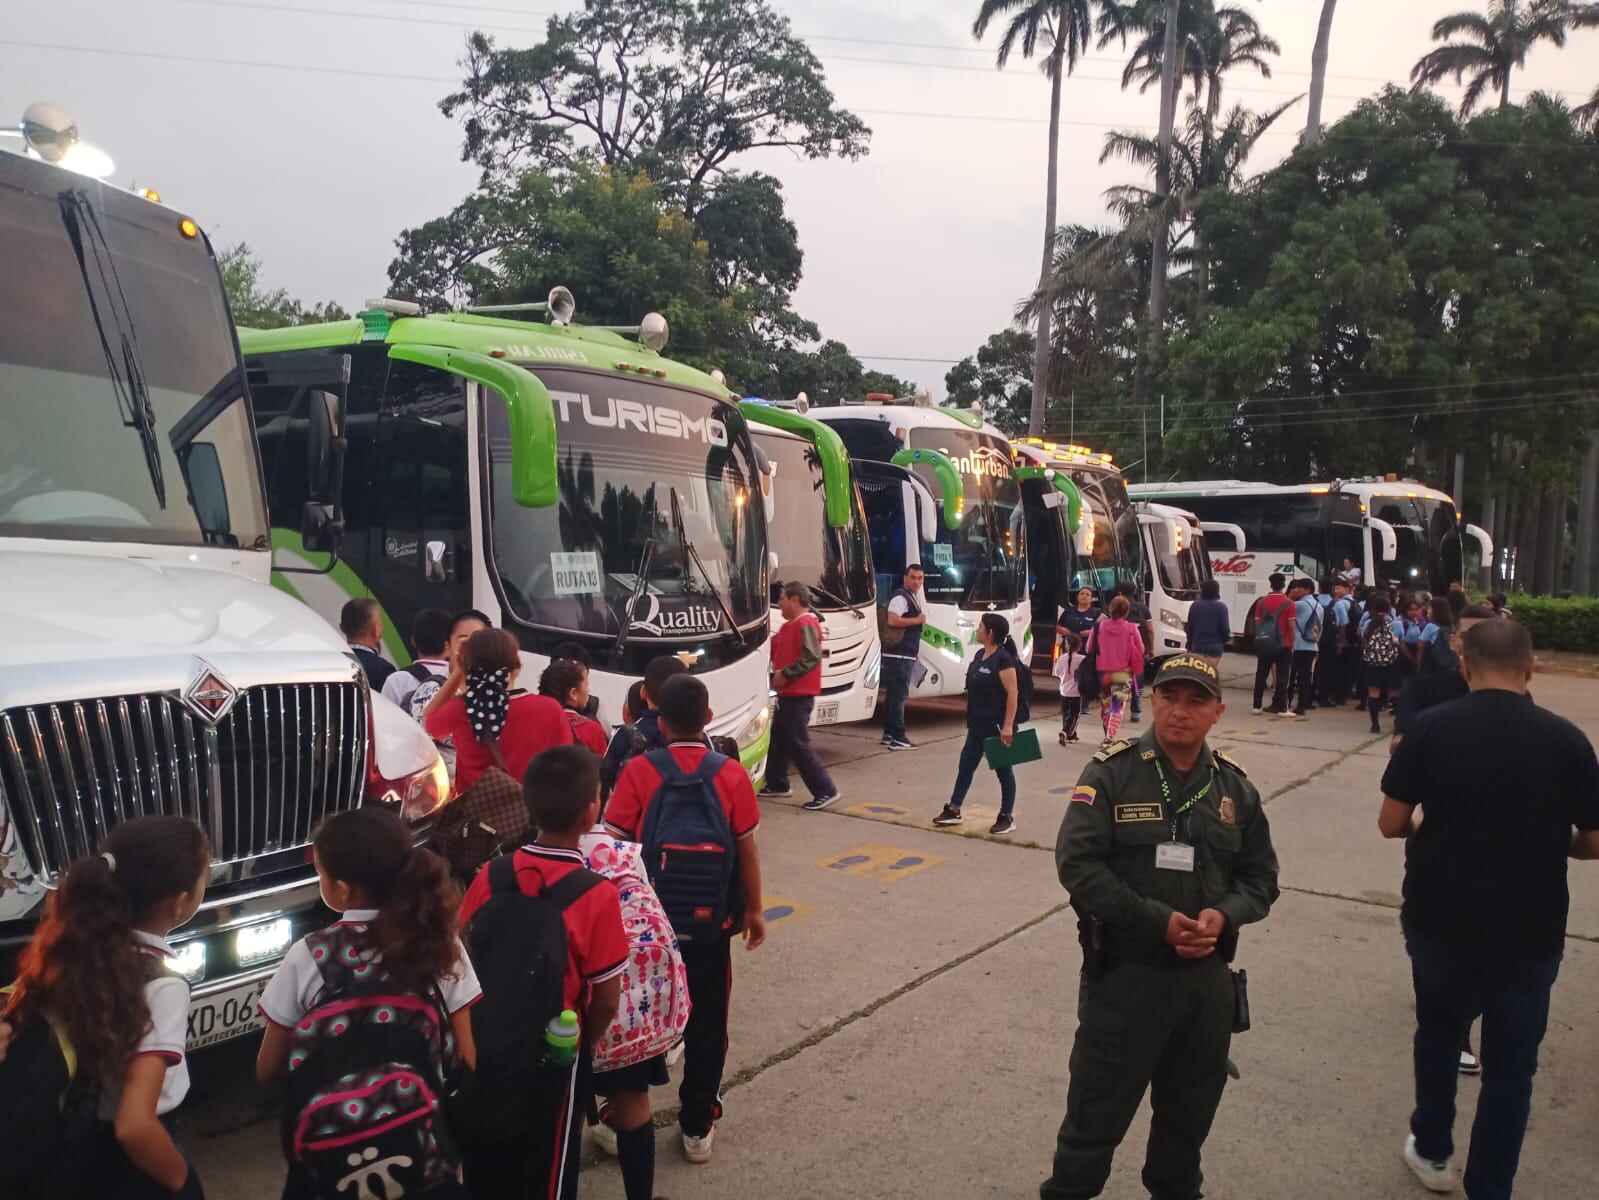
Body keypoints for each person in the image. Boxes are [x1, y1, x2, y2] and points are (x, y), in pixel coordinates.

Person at [1042, 654, 1280, 1200]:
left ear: (1218, 712)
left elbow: (1261, 878)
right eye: (1170, 697)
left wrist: (1227, 914)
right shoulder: (1112, 772)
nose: (1180, 711)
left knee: (1185, 1130)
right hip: (1127, 980)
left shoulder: (1234, 789)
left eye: (1196, 701)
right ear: (1152, 700)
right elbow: (1078, 865)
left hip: (1205, 987)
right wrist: (1157, 922)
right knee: (1092, 1124)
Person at [1378, 619, 1599, 1200]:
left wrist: (1433, 827)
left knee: (1438, 1033)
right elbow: (1595, 840)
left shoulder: (1430, 729)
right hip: (1530, 927)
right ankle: (1491, 1186)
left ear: (1465, 666)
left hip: (1439, 917)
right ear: (1531, 668)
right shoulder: (1567, 740)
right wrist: (1555, 841)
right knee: (1512, 1068)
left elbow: (1391, 823)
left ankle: (1432, 1151)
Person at [256, 807, 480, 1200]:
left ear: (341, 890)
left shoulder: (309, 956)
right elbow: (466, 1056)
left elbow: (268, 1068)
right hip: (423, 1154)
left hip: (332, 1165)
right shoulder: (439, 943)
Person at [3, 816, 211, 1199]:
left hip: (81, 1146)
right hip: (137, 1162)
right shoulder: (163, 986)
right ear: (181, 902)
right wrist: (183, 1181)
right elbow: (134, 1125)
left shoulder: (77, 952)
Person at [605, 674, 766, 1165]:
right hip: (712, 923)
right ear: (709, 718)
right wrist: (754, 909)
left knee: (639, 1016)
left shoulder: (639, 770)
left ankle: (620, 1115)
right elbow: (747, 850)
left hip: (648, 928)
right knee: (708, 1023)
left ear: (659, 719)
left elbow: (616, 849)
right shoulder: (730, 773)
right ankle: (698, 1122)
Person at [458, 746, 629, 1200]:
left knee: (482, 1157)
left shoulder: (491, 874)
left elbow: (458, 953)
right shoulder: (597, 895)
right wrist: (582, 1044)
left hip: (483, 1040)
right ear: (591, 811)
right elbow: (606, 997)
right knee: (547, 1166)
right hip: (554, 1054)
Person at [1391, 603, 1500, 1076]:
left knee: (1477, 929)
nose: (1473, 645)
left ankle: (1461, 1024)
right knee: (1429, 923)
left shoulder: (1511, 699)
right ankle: (1442, 1010)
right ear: (1454, 640)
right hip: (1434, 826)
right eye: (1467, 635)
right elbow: (1404, 731)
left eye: (1484, 635)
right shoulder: (1429, 687)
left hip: (1491, 835)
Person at [579, 818, 689, 1200]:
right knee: (632, 1102)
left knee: (560, 1115)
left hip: (566, 1012)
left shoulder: (528, 863)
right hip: (626, 1010)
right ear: (596, 804)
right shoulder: (624, 856)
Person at [423, 628, 572, 795]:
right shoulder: (549, 709)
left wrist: (458, 671)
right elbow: (566, 767)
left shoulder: (462, 708)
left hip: (474, 808)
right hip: (531, 808)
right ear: (517, 663)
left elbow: (427, 723)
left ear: (468, 668)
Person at [932, 613, 1024, 835]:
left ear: (990, 633)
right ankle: (954, 809)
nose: (977, 629)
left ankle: (1006, 816)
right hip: (976, 725)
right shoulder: (979, 655)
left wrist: (1008, 726)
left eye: (980, 626)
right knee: (966, 766)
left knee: (1004, 771)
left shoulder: (1003, 660)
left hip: (996, 727)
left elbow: (1013, 693)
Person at [765, 582, 841, 811]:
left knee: (798, 743)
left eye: (782, 598)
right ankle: (777, 783)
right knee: (779, 739)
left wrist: (785, 674)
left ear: (795, 600)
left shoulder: (805, 623)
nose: (779, 603)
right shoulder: (789, 626)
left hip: (799, 694)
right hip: (789, 693)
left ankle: (825, 790)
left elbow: (811, 657)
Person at [1089, 595, 1147, 748]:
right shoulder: (1132, 628)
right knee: (1117, 706)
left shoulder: (1098, 627)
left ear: (1110, 609)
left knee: (1106, 704)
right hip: (1123, 672)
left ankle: (1107, 732)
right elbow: (1141, 649)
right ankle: (1110, 737)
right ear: (1126, 611)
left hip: (1102, 672)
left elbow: (1089, 648)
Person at [881, 564, 927, 751]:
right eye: (913, 577)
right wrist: (917, 620)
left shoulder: (910, 596)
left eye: (920, 578)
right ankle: (898, 737)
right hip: (899, 654)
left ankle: (889, 734)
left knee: (893, 696)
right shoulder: (901, 597)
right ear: (905, 578)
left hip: (903, 654)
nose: (916, 582)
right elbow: (892, 620)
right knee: (899, 696)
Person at [381, 607, 454, 717]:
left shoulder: (397, 680)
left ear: (413, 641)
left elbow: (386, 719)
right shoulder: (460, 680)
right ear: (448, 645)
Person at [540, 657, 608, 755]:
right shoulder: (592, 730)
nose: (588, 690)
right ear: (573, 693)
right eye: (586, 685)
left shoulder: (536, 721)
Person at [1249, 573, 1296, 715]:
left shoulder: (1261, 602)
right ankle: (1282, 707)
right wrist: (1292, 643)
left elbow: (1257, 623)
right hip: (1284, 643)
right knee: (1283, 675)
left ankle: (1257, 706)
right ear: (1284, 585)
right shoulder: (1289, 603)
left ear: (1271, 585)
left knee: (1261, 673)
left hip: (1266, 643)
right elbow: (1291, 626)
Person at [1361, 594, 1402, 734]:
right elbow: (1399, 640)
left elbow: (1363, 639)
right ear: (1389, 609)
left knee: (1374, 693)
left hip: (1372, 663)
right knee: (1394, 692)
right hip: (1392, 662)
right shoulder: (1395, 624)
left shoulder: (1368, 623)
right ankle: (1399, 722)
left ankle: (1375, 725)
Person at [1114, 581, 1154, 723]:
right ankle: (1136, 712)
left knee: (1120, 679)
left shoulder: (1115, 606)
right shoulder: (1143, 608)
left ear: (1120, 593)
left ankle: (1116, 710)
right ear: (1135, 592)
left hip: (1119, 651)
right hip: (1138, 651)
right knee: (1138, 679)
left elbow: (1102, 624)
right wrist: (1151, 648)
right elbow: (1150, 630)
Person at [340, 597, 395, 691]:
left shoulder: (331, 662)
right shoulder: (384, 670)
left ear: (342, 627)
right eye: (381, 621)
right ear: (377, 630)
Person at [1285, 579, 1321, 719]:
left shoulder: (1299, 604)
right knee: (1306, 676)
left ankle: (1288, 702)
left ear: (1306, 590)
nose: (1297, 590)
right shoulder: (1319, 606)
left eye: (1299, 588)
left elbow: (1285, 606)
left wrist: (1290, 596)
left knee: (1292, 674)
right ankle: (1302, 704)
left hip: (1298, 645)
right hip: (1312, 645)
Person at [1314, 581, 1353, 707]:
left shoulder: (1313, 602)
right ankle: (1324, 697)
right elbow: (1342, 625)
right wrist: (1341, 642)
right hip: (1330, 641)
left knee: (1313, 667)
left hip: (1313, 640)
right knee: (1328, 669)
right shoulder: (1337, 604)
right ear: (1331, 589)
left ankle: (1310, 695)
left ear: (1319, 588)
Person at [1184, 578, 1231, 665]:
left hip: (1197, 644)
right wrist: (1225, 640)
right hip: (1215, 644)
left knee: (1198, 670)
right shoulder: (1221, 607)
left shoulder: (1195, 606)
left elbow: (1190, 627)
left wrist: (1189, 643)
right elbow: (1225, 628)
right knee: (1210, 670)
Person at [1053, 633, 1087, 746]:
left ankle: (1071, 735)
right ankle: (1066, 732)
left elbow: (1057, 673)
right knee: (1074, 715)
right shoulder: (1083, 659)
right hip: (1077, 692)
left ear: (1066, 645)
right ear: (1080, 646)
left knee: (1065, 714)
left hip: (1064, 691)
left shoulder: (1061, 658)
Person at [1417, 598, 1456, 677]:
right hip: (1447, 666)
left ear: (1435, 611)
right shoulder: (1451, 627)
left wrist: (1418, 664)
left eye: (1430, 608)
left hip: (1432, 666)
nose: (1427, 611)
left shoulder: (1430, 626)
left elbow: (1421, 646)